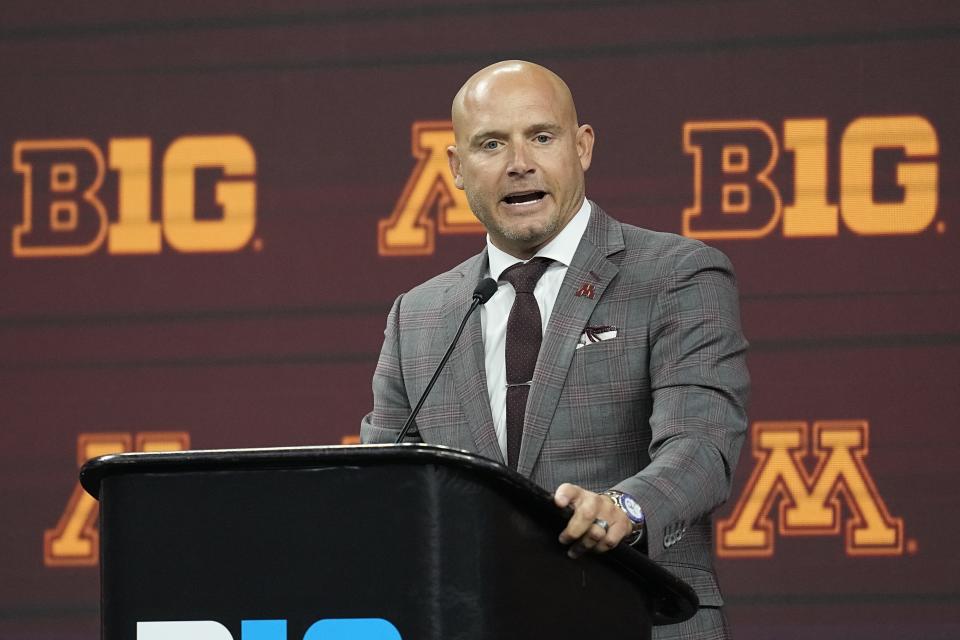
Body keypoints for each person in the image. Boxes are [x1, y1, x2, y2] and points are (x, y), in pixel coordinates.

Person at [361, 60, 749, 639]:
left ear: (583, 146)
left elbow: (702, 443)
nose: (520, 163)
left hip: (634, 615)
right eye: (491, 144)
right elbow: (381, 487)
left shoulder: (676, 275)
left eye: (541, 137)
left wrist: (626, 508)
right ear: (457, 168)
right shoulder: (418, 314)